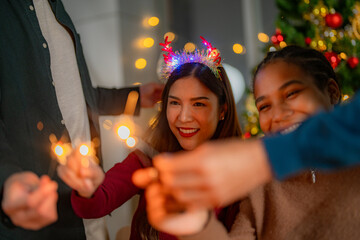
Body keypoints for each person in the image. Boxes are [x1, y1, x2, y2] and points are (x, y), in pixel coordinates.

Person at [134, 46, 360, 239]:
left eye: (291, 94)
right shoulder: (262, 188)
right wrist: (197, 225)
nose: (278, 114)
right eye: (264, 106)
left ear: (331, 92)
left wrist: (264, 157)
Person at [0, 0, 163, 239]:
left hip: (87, 203)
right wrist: (7, 178)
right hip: (39, 213)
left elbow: (79, 94)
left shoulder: (58, 9)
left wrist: (135, 97)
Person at [57, 36, 243, 239]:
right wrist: (87, 188)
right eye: (175, 103)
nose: (183, 117)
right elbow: (97, 203)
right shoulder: (147, 159)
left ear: (222, 110)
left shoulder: (244, 169)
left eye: (198, 104)